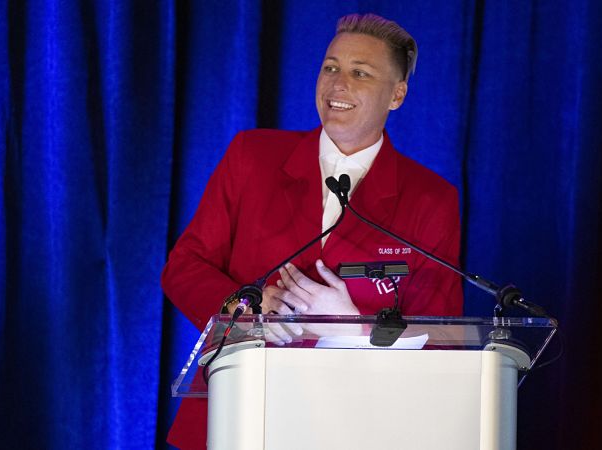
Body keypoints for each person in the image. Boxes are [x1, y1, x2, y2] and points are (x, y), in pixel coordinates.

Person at [161, 13, 463, 449]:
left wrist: (353, 328)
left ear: (397, 95)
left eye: (360, 73)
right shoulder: (252, 156)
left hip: (352, 423)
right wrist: (246, 306)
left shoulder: (431, 199)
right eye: (330, 67)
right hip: (237, 411)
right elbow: (184, 266)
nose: (338, 84)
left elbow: (442, 338)